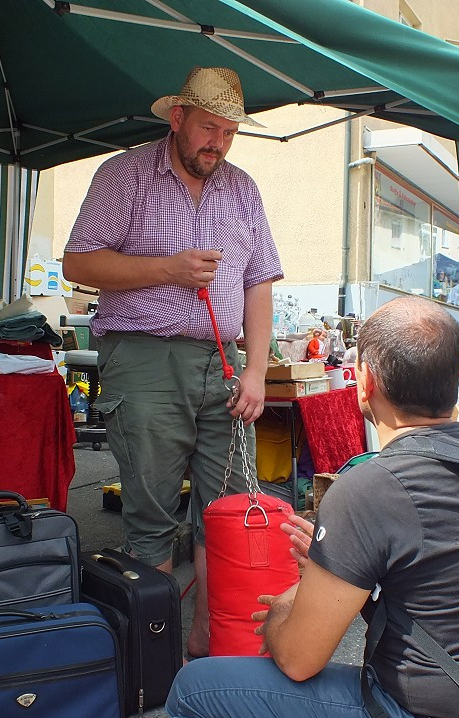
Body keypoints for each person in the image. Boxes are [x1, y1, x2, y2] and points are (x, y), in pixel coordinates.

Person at [167, 298, 459, 718]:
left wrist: (290, 601)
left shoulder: (370, 488)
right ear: (455, 380)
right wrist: (338, 560)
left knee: (193, 695)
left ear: (365, 382)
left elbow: (297, 659)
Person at [63, 66, 283, 659]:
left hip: (224, 359)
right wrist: (169, 268)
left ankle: (212, 635)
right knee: (152, 509)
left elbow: (260, 282)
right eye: (208, 127)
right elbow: (78, 264)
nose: (218, 142)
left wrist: (257, 370)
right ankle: (153, 650)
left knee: (227, 508)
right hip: (143, 356)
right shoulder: (125, 174)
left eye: (229, 132)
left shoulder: (242, 188)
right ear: (177, 118)